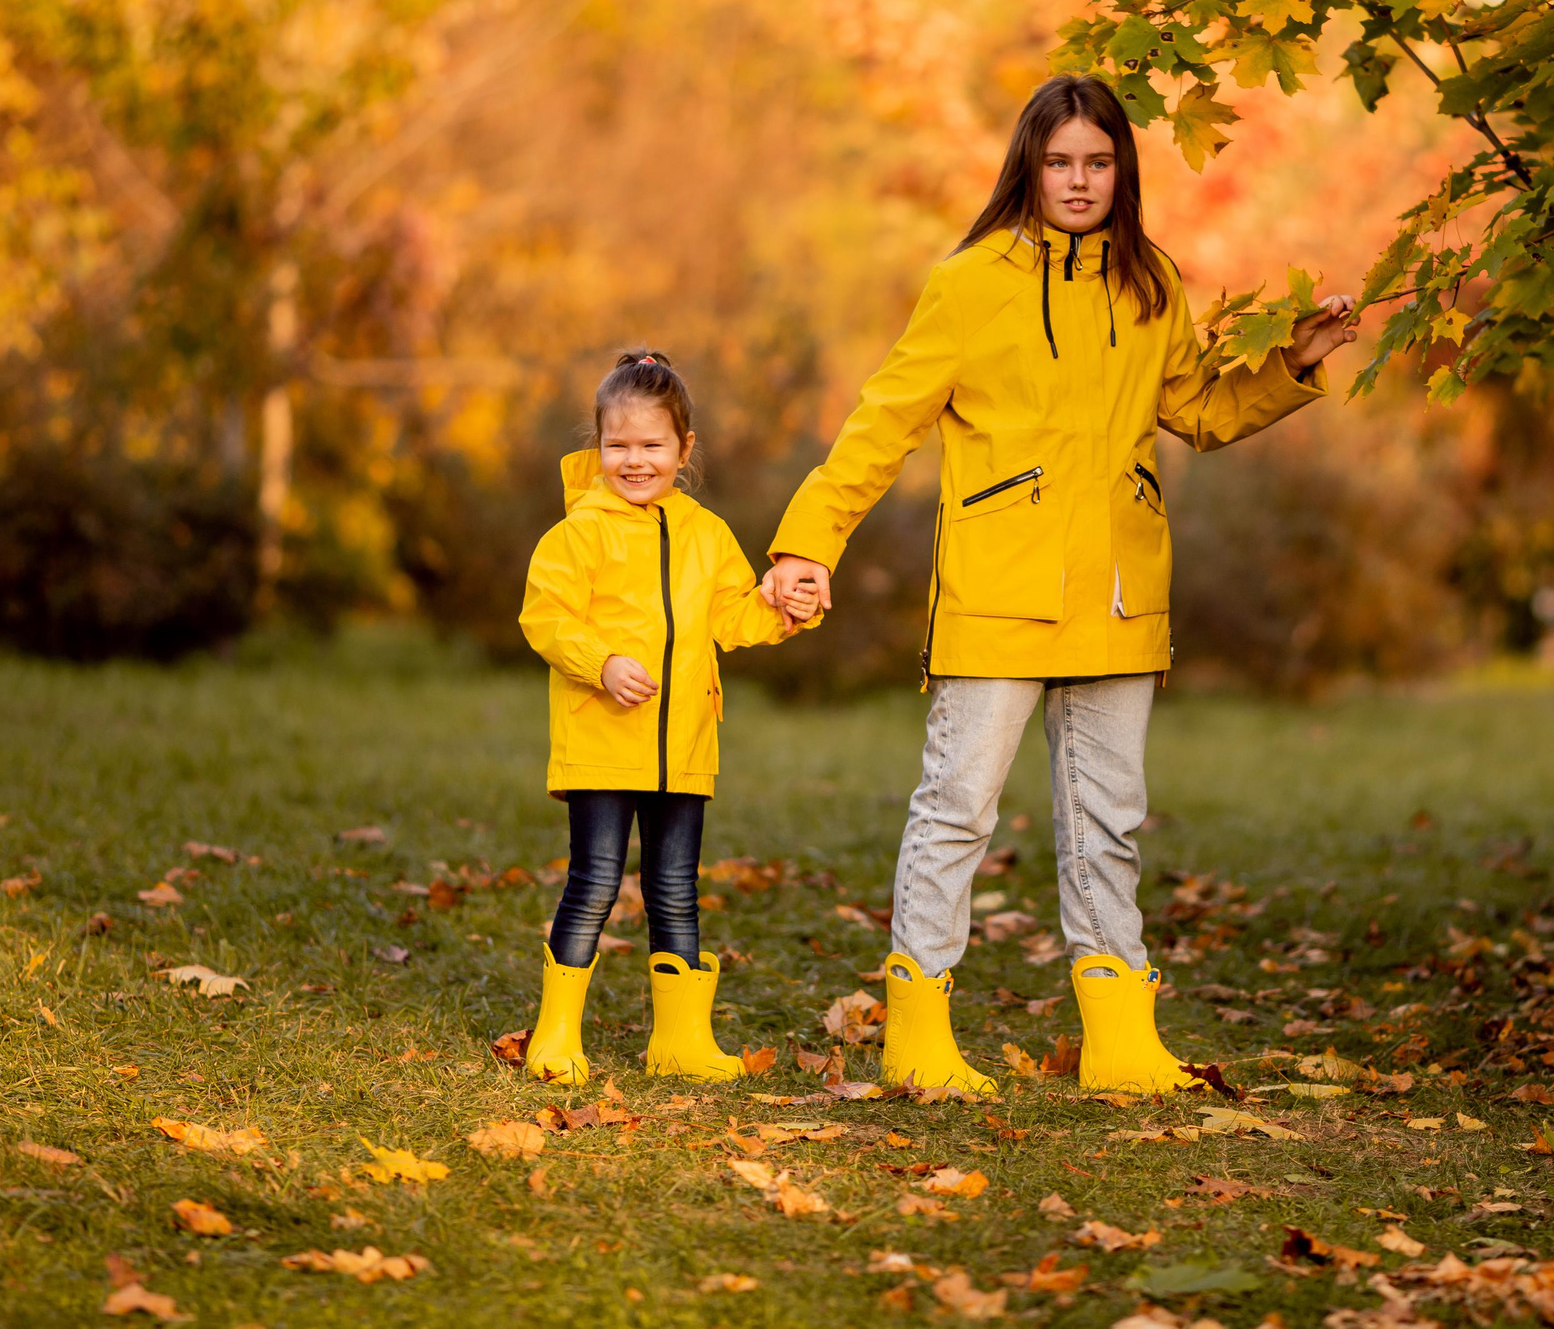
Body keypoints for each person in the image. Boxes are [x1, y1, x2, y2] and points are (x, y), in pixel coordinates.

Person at [760, 74, 1358, 1095]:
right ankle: (917, 1029)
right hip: (998, 593)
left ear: (1120, 170)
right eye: (1059, 161)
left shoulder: (1152, 282)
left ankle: (1119, 1035)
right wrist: (805, 541)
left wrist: (1292, 363)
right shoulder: (968, 283)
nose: (1078, 180)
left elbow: (1202, 412)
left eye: (1097, 161)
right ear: (1028, 168)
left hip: (1120, 596)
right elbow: (881, 424)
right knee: (957, 810)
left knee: (1109, 821)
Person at [516, 351, 820, 1085]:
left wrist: (785, 609)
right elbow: (545, 616)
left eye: (652, 445)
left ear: (685, 450)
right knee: (593, 882)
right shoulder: (576, 535)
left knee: (675, 888)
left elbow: (731, 615)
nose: (634, 460)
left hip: (683, 746)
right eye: (618, 445)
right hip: (601, 741)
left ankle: (679, 1037)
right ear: (597, 448)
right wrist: (602, 662)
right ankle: (555, 1034)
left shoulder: (706, 535)